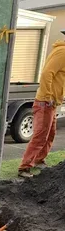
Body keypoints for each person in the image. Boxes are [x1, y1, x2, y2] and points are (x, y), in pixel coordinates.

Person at [18, 34, 65, 178]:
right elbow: (46, 74)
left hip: (51, 102)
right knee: (40, 136)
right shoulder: (63, 52)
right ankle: (24, 167)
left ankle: (39, 160)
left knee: (50, 134)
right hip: (46, 101)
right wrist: (48, 95)